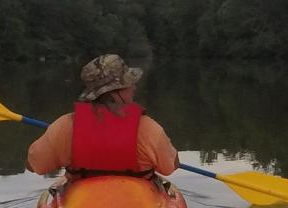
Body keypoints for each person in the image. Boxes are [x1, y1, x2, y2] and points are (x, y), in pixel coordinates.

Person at [26, 54, 179, 177]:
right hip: (136, 201)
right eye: (128, 83)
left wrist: (59, 143)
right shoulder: (148, 128)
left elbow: (33, 166)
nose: (134, 87)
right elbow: (170, 167)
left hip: (82, 202)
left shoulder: (65, 126)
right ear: (112, 92)